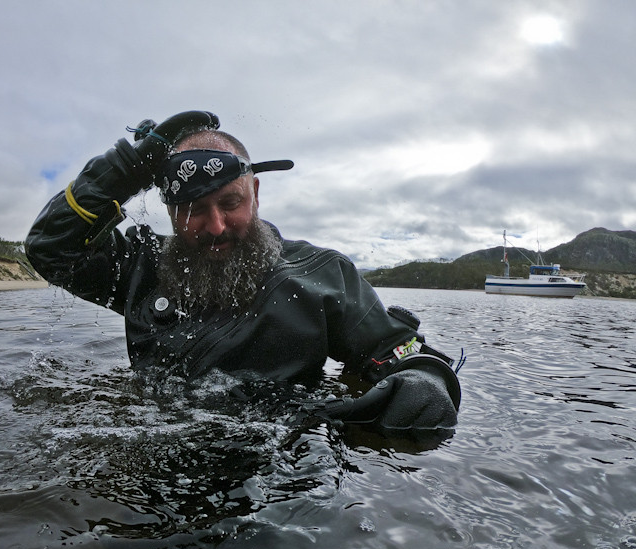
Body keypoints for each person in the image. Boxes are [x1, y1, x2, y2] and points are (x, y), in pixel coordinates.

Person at [26, 110, 462, 431]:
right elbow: (50, 248)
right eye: (195, 210)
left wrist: (425, 381)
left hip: (281, 484)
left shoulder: (323, 274)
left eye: (230, 204)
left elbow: (399, 352)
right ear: (170, 210)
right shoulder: (141, 265)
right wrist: (128, 168)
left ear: (254, 192)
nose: (215, 227)